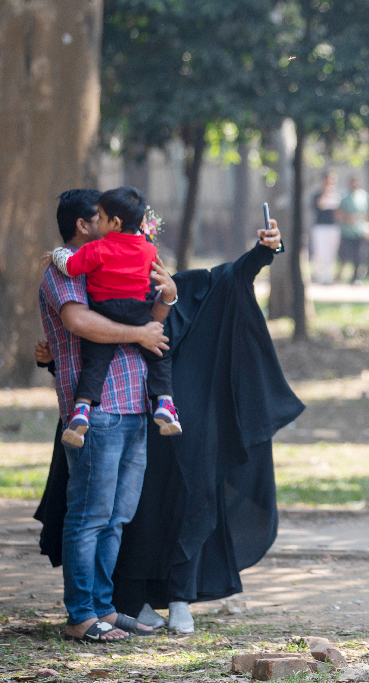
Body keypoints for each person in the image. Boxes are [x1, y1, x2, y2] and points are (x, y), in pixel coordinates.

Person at [35, 218, 304, 634]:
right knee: (130, 517)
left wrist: (265, 251)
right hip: (131, 420)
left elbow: (231, 277)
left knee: (193, 505)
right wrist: (52, 359)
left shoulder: (183, 287)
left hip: (188, 425)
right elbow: (88, 351)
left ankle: (181, 597)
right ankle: (130, 600)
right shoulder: (106, 297)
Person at [36, 189, 177, 642]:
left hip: (135, 403)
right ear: (84, 225)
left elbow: (152, 319)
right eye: (100, 216)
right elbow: (80, 323)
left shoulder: (121, 259)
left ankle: (103, 608)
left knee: (116, 518)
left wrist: (168, 295)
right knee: (89, 516)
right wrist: (139, 333)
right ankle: (81, 615)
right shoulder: (64, 270)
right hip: (95, 411)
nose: (110, 222)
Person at [48, 186, 181, 448]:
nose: (99, 220)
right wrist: (142, 332)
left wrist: (56, 254)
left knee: (94, 363)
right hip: (137, 312)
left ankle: (82, 409)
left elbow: (71, 267)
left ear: (116, 222)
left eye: (102, 216)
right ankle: (165, 402)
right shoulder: (149, 251)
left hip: (105, 309)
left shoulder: (96, 249)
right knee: (160, 354)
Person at [338, 175, 369, 284]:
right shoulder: (344, 197)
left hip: (360, 230)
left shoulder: (364, 196)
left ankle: (355, 277)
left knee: (360, 254)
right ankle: (340, 273)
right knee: (346, 254)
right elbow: (338, 213)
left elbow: (367, 213)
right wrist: (347, 218)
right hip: (347, 231)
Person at [309, 172, 342, 285]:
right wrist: (326, 192)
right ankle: (318, 275)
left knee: (331, 253)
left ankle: (328, 277)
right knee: (320, 252)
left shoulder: (337, 195)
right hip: (320, 227)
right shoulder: (317, 194)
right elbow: (318, 206)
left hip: (333, 227)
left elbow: (339, 212)